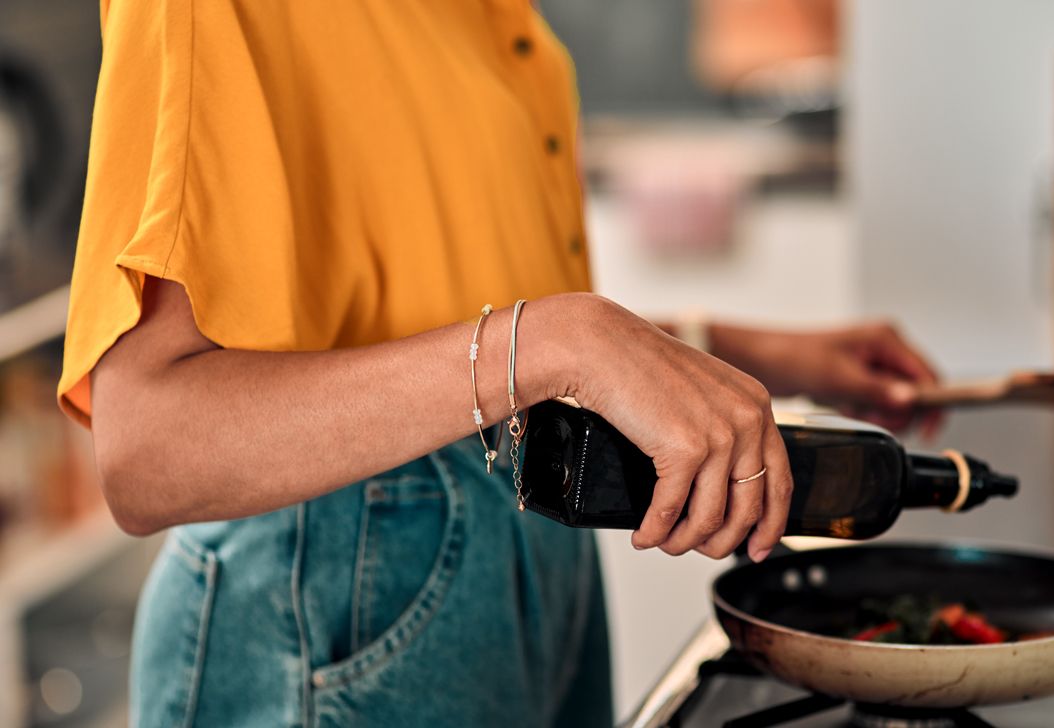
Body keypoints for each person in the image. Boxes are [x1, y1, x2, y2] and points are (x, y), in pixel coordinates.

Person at [57, 2, 939, 726]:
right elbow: (148, 450)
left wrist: (750, 350)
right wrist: (562, 342)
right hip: (337, 607)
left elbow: (479, 326)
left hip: (526, 562)